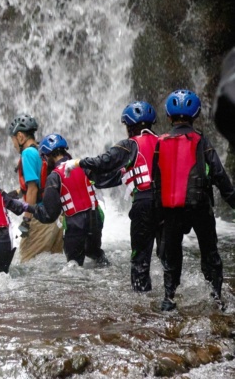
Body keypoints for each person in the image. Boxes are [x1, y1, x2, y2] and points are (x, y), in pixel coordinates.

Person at [61, 101, 160, 291]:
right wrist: (94, 179)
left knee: (140, 257)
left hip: (143, 204)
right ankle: (170, 294)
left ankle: (142, 298)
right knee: (166, 254)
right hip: (165, 204)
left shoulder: (129, 145)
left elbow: (104, 161)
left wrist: (79, 163)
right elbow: (118, 176)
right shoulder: (163, 141)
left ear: (129, 126)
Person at [151, 89, 235, 311]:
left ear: (168, 116)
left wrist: (156, 214)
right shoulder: (201, 141)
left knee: (172, 254)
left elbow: (155, 180)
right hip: (199, 206)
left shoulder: (160, 143)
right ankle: (216, 298)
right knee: (210, 252)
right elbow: (219, 174)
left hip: (170, 208)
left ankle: (169, 297)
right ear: (196, 115)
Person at [30, 134, 110, 267]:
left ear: (49, 156)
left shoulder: (54, 177)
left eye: (44, 158)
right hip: (95, 219)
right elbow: (101, 180)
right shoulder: (83, 165)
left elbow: (50, 214)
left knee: (74, 265)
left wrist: (27, 208)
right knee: (95, 253)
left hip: (75, 225)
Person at [8, 114, 63, 261]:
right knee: (54, 260)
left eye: (13, 139)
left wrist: (26, 220)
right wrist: (17, 193)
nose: (13, 144)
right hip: (56, 215)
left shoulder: (27, 153)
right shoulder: (41, 150)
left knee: (26, 261)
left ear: (20, 137)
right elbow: (41, 183)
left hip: (39, 216)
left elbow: (32, 189)